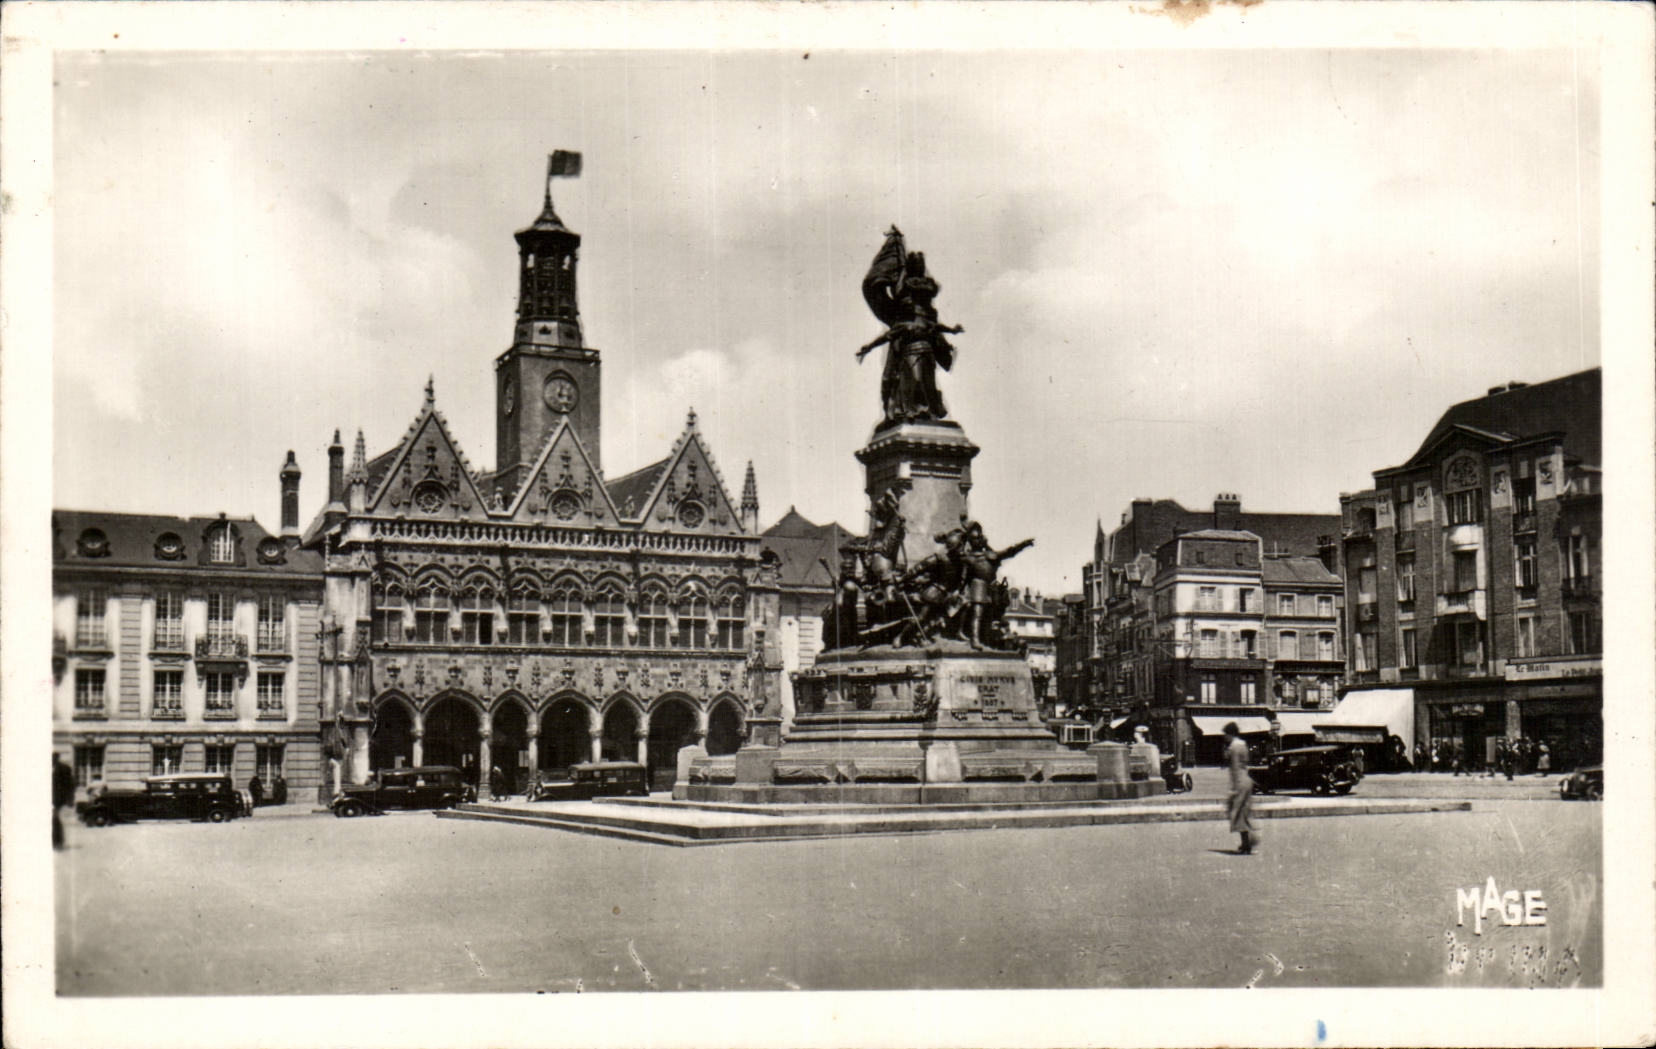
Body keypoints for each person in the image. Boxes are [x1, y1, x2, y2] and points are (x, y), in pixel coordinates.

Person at [1223, 722, 1259, 855]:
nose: (1224, 737)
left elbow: (1234, 768)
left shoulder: (1233, 748)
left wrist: (1234, 788)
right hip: (1246, 779)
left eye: (1226, 734)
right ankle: (1247, 842)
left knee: (1237, 813)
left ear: (1230, 734)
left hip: (1239, 781)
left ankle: (1248, 843)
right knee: (1243, 812)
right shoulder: (1243, 745)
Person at [52, 752, 76, 849]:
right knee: (53, 818)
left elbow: (70, 784)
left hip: (57, 798)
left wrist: (70, 798)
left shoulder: (64, 768)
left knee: (54, 817)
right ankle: (56, 841)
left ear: (57, 758)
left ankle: (58, 841)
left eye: (54, 757)